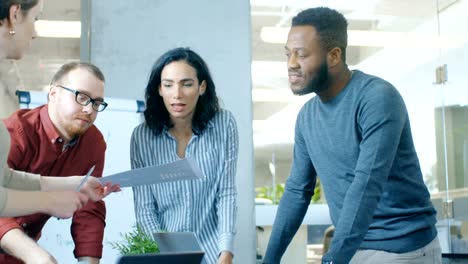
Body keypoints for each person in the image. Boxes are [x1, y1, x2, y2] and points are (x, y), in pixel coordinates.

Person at [263, 7, 441, 264]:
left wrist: (333, 259)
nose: (291, 63)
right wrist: (269, 260)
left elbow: (366, 185)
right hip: (354, 246)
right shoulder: (306, 117)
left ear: (334, 55)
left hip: (402, 248)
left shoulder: (377, 98)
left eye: (301, 55)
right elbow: (297, 192)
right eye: (288, 54)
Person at [0, 1, 118, 219]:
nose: (34, 33)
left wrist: (73, 184)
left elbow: (5, 179)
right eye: (35, 19)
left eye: (96, 102)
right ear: (15, 14)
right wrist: (50, 200)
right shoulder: (18, 129)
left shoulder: (93, 141)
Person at [0, 60, 115, 264]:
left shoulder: (93, 142)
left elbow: (89, 208)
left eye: (97, 103)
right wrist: (36, 255)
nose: (89, 110)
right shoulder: (15, 133)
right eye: (81, 97)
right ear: (53, 93)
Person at [131, 47, 238, 264]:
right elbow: (145, 209)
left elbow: (226, 193)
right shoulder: (142, 137)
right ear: (159, 89)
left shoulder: (224, 124)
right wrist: (166, 257)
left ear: (202, 87)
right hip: (165, 254)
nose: (177, 94)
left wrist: (225, 252)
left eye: (186, 84)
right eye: (168, 85)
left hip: (213, 252)